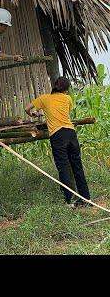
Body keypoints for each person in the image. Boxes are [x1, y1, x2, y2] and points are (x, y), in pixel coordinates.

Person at [25, 76, 91, 208]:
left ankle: (70, 200)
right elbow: (64, 112)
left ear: (55, 86)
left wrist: (33, 115)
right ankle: (86, 198)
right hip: (71, 133)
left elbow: (27, 108)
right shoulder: (67, 98)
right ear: (66, 89)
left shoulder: (44, 98)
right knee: (77, 166)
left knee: (63, 167)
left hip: (58, 134)